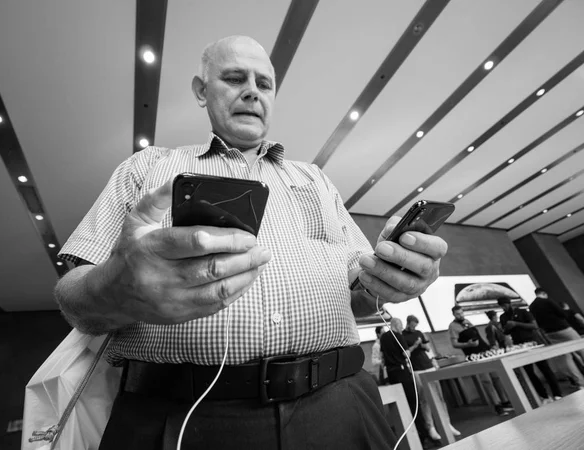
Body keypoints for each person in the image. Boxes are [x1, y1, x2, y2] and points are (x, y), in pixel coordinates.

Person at [53, 36, 449, 449]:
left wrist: (391, 276)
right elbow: (74, 298)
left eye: (264, 83)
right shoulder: (147, 167)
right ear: (201, 91)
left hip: (344, 404)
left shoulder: (315, 179)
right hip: (181, 417)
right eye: (234, 78)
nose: (252, 91)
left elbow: (361, 294)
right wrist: (116, 288)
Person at [402, 315, 461, 440]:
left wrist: (422, 345)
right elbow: (405, 354)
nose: (415, 327)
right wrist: (415, 345)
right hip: (416, 368)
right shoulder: (402, 336)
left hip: (428, 365)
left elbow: (428, 348)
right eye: (413, 324)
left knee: (439, 396)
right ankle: (431, 427)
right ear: (409, 323)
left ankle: (447, 423)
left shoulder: (419, 333)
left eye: (416, 325)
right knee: (424, 399)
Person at [448, 306, 513, 416]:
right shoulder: (452, 327)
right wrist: (468, 344)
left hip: (484, 351)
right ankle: (497, 406)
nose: (460, 315)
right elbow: (454, 344)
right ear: (454, 315)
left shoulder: (467, 321)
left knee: (496, 377)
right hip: (473, 355)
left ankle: (505, 401)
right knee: (486, 381)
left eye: (461, 313)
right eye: (458, 314)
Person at [497, 297, 562, 402]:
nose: (503, 308)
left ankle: (557, 393)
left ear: (509, 303)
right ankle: (544, 395)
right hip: (519, 346)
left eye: (504, 305)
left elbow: (534, 325)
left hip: (532, 342)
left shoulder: (522, 312)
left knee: (545, 369)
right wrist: (506, 328)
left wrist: (516, 324)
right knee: (529, 372)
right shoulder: (503, 317)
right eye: (501, 306)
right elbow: (505, 332)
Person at [380, 318, 433, 447]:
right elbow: (406, 354)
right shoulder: (398, 335)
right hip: (403, 373)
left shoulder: (383, 338)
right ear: (396, 325)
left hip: (392, 375)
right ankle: (424, 438)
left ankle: (409, 438)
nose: (401, 327)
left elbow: (382, 357)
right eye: (401, 325)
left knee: (401, 407)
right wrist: (415, 345)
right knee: (414, 404)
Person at [529, 288, 584, 389]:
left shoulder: (531, 306)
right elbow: (562, 314)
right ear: (544, 293)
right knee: (581, 350)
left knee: (566, 358)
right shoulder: (547, 301)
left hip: (549, 333)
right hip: (563, 329)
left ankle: (581, 383)